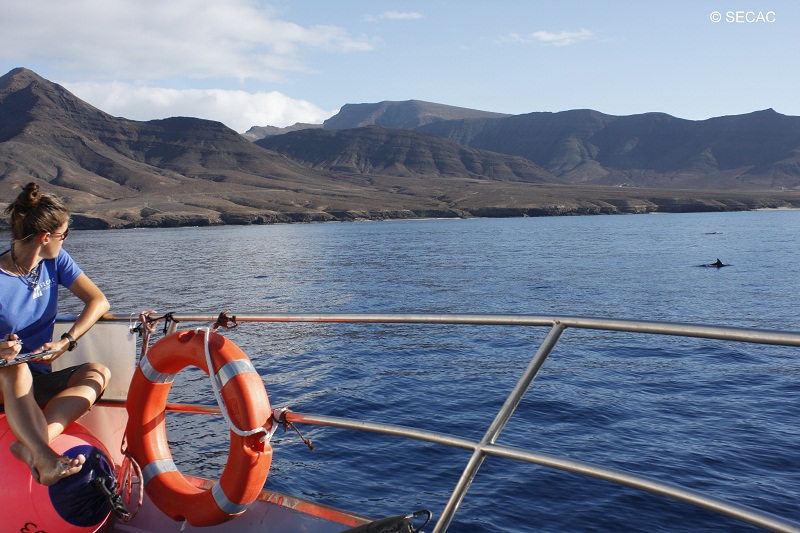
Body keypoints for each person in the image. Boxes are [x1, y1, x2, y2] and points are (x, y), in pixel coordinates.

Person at [0, 182, 111, 485]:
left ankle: (30, 444)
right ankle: (45, 457)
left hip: (37, 376)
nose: (65, 241)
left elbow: (98, 301)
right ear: (46, 237)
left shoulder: (55, 261)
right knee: (15, 368)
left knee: (97, 373)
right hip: (4, 379)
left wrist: (68, 340)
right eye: (64, 235)